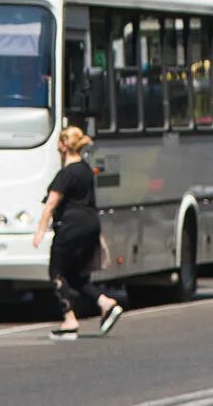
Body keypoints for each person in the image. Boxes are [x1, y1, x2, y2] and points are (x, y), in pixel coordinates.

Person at [32, 126, 123, 340]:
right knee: (75, 275)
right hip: (91, 225)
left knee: (56, 272)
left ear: (64, 145)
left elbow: (51, 204)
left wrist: (40, 231)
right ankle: (106, 303)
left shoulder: (66, 174)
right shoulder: (85, 170)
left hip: (70, 227)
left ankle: (69, 320)